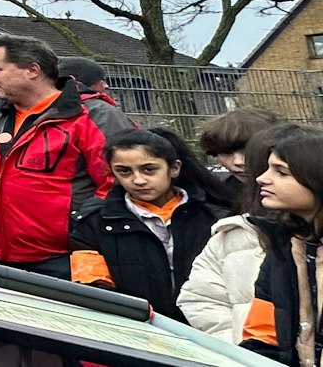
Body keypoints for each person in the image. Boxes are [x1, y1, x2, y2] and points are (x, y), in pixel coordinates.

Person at [0, 33, 112, 278]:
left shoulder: (91, 116)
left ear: (32, 70)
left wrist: (82, 228)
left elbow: (116, 184)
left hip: (71, 260)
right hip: (2, 258)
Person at [69, 128, 231, 319]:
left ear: (174, 168)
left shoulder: (216, 219)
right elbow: (94, 287)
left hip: (209, 327)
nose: (138, 180)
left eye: (149, 169)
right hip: (137, 329)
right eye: (124, 171)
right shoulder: (93, 223)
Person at [181, 122, 300, 343]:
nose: (238, 161)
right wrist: (240, 346)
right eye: (226, 153)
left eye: (281, 170)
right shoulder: (233, 233)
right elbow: (201, 298)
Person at [239, 127, 323, 360]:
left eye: (281, 172)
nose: (261, 178)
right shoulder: (283, 250)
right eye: (268, 168)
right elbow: (261, 337)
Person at [199, 108, 280, 207]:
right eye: (226, 152)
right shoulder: (215, 197)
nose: (238, 161)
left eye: (248, 151)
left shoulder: (301, 187)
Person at [58, 56, 136, 138]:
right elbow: (128, 147)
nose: (106, 86)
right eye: (102, 80)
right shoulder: (104, 113)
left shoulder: (50, 110)